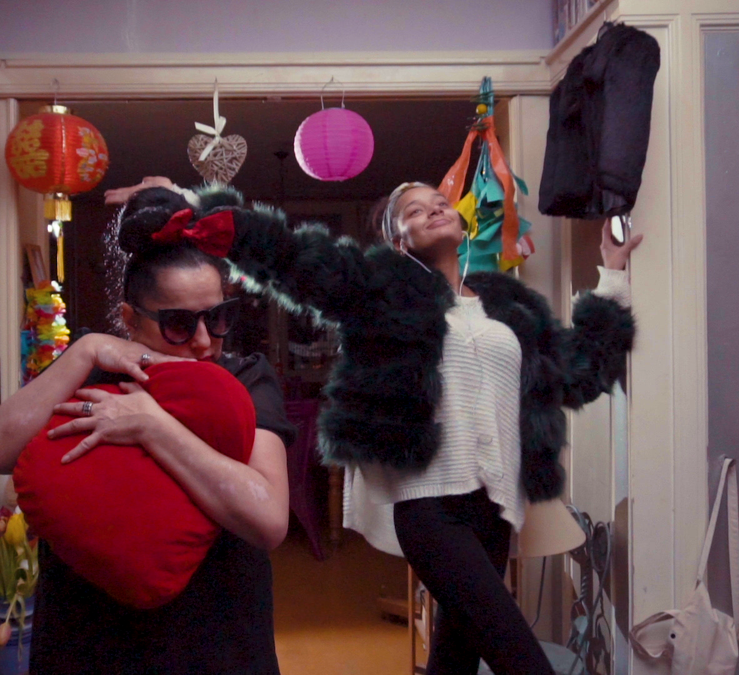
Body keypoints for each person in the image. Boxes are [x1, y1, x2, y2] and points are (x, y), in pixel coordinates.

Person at [205, 179, 638, 674]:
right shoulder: (382, 293)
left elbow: (574, 372)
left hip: (497, 508)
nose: (433, 210)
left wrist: (612, 279)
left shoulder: (507, 305)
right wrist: (225, 225)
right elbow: (300, 262)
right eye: (413, 211)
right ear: (397, 241)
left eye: (440, 203)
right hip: (432, 509)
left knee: (455, 660)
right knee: (522, 660)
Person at [0, 182, 295, 675]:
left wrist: (153, 426)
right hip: (88, 640)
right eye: (178, 324)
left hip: (213, 640)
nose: (203, 341)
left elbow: (269, 519)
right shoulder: (92, 367)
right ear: (130, 319)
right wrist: (86, 350)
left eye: (218, 318)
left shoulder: (246, 379)